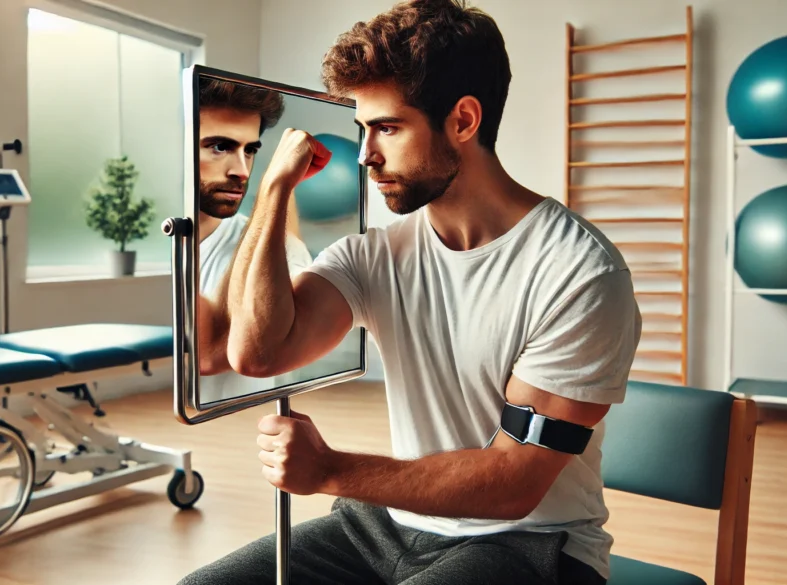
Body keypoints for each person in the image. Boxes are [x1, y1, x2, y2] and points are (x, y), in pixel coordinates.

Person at [183, 0, 641, 583]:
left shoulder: (578, 273)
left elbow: (514, 483)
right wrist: (272, 191)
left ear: (464, 120)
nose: (366, 154)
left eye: (387, 128)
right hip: (390, 525)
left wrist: (329, 470)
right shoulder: (373, 256)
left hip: (535, 544)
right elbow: (257, 353)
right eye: (362, 130)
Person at [195, 77, 314, 403]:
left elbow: (210, 355)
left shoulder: (283, 250)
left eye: (250, 151)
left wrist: (276, 190)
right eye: (220, 147)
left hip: (242, 435)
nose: (242, 170)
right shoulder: (154, 247)